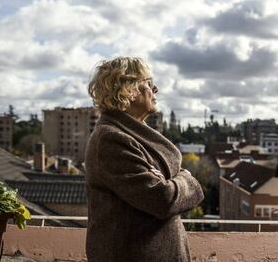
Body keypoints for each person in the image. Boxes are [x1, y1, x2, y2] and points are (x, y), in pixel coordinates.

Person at [85, 57, 204, 262]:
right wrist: (186, 178)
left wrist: (169, 181)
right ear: (127, 89)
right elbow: (162, 199)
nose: (155, 89)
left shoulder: (130, 134)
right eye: (148, 83)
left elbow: (163, 191)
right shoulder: (111, 139)